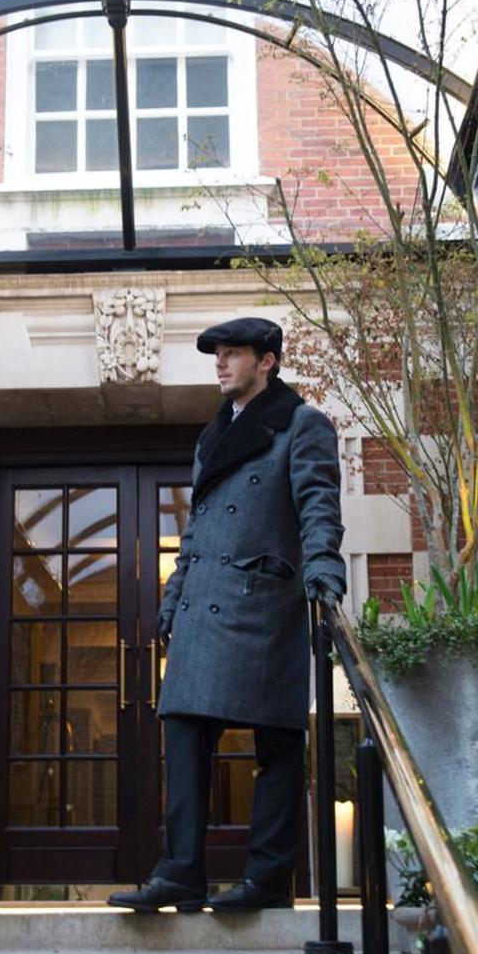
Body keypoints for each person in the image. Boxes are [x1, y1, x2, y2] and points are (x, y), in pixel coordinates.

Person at [107, 316, 346, 914]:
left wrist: (325, 571)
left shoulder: (301, 425)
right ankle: (181, 872)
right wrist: (172, 594)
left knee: (278, 742)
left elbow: (319, 505)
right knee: (184, 729)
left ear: (267, 361)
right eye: (217, 354)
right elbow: (198, 530)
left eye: (233, 354)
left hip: (264, 603)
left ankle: (267, 879)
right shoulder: (213, 436)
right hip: (202, 605)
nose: (220, 363)